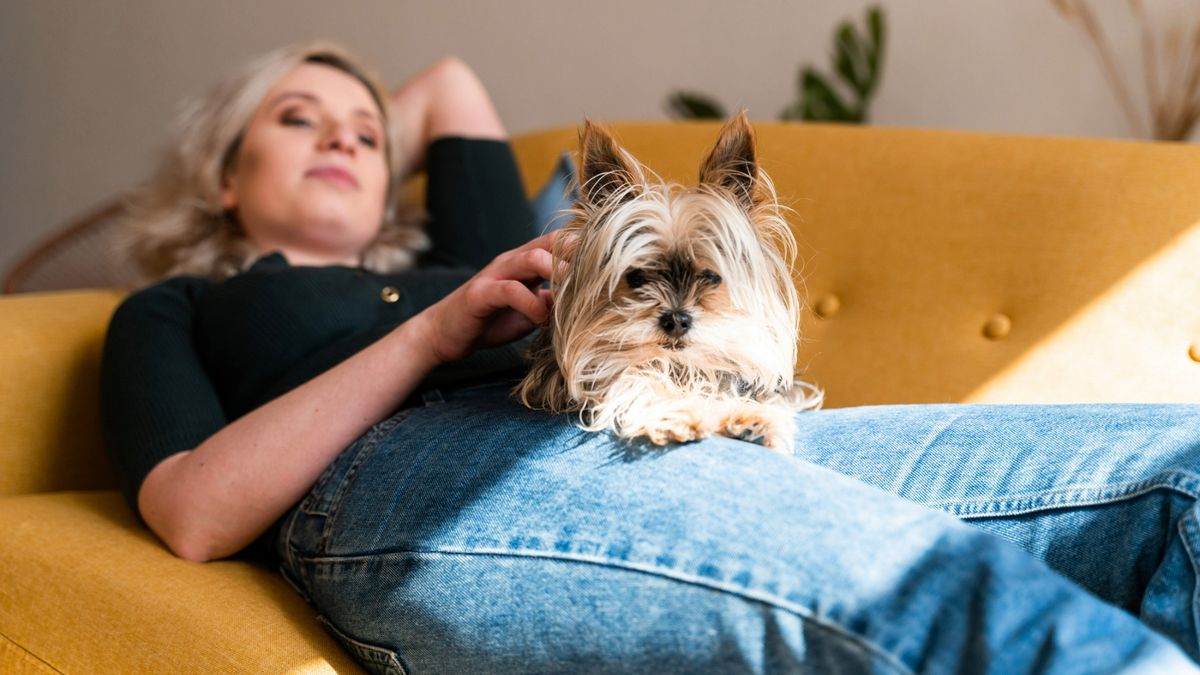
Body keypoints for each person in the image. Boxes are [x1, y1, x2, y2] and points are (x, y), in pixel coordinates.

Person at [100, 41, 1200, 674]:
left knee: (1181, 470)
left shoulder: (462, 241)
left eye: (366, 131)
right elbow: (195, 512)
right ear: (222, 179)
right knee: (931, 594)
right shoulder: (183, 305)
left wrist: (373, 153)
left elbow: (450, 84)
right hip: (415, 475)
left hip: (693, 414)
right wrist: (434, 331)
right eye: (301, 119)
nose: (345, 135)